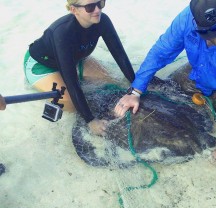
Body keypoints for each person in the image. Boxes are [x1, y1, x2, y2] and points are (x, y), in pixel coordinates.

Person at [114, 0, 216, 164]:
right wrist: (135, 91)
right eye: (210, 34)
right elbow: (160, 52)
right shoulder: (186, 19)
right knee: (169, 89)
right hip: (202, 68)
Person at [24, 0, 135, 135]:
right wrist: (91, 120)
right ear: (74, 10)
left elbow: (120, 56)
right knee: (70, 104)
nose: (97, 10)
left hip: (75, 59)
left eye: (100, 3)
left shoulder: (103, 21)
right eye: (89, 7)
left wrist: (135, 87)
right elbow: (71, 81)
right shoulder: (62, 32)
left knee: (110, 79)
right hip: (42, 66)